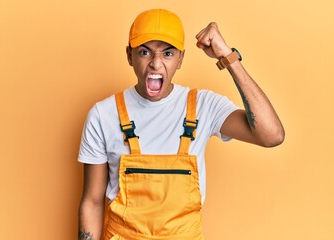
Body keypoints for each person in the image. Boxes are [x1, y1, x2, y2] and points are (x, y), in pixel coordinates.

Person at [77, 9, 285, 240]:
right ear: (129, 55)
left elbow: (272, 135)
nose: (156, 64)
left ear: (180, 59)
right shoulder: (103, 114)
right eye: (145, 52)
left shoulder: (204, 106)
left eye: (167, 53)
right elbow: (92, 202)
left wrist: (228, 56)